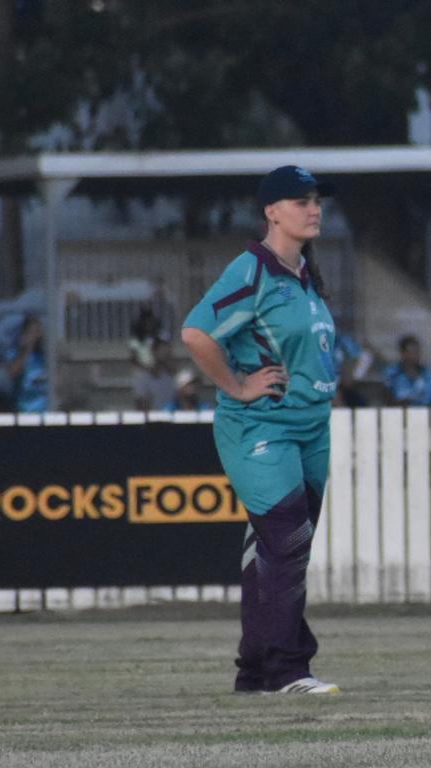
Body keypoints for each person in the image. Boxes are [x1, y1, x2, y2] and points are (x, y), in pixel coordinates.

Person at [181, 165, 340, 695]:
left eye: (316, 200)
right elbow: (196, 332)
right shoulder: (251, 270)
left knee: (278, 549)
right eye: (300, 201)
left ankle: (254, 671)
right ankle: (289, 670)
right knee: (288, 541)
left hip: (311, 429)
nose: (313, 208)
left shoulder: (303, 273)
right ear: (271, 212)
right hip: (260, 427)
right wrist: (238, 385)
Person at [2, 314, 47, 412]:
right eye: (32, 332)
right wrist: (28, 346)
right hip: (26, 411)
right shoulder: (14, 354)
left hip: (47, 410)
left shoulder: (45, 356)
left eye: (38, 332)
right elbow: (13, 371)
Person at [384, 335, 431, 407]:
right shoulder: (392, 374)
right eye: (411, 352)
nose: (415, 356)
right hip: (397, 414)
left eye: (417, 352)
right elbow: (387, 399)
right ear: (402, 353)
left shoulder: (428, 376)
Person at [133, 336, 176, 411]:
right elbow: (140, 405)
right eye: (161, 350)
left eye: (167, 351)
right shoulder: (142, 378)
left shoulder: (171, 378)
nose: (165, 353)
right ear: (154, 351)